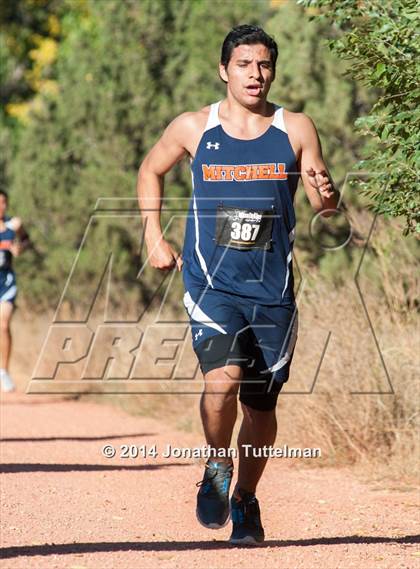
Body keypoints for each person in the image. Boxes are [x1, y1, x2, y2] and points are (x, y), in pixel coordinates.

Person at [137, 24, 339, 545]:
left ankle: (245, 500)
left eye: (265, 64)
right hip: (211, 283)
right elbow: (149, 170)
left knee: (260, 408)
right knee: (220, 382)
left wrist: (327, 194)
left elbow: (322, 203)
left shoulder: (295, 128)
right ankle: (215, 463)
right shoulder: (192, 128)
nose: (256, 74)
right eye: (245, 64)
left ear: (274, 70)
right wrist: (153, 235)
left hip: (272, 290)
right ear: (225, 70)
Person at [0, 190, 30, 392]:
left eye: (3, 202)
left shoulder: (13, 225)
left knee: (3, 324)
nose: (1, 206)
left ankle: (3, 371)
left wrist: (20, 247)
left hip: (6, 282)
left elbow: (26, 241)